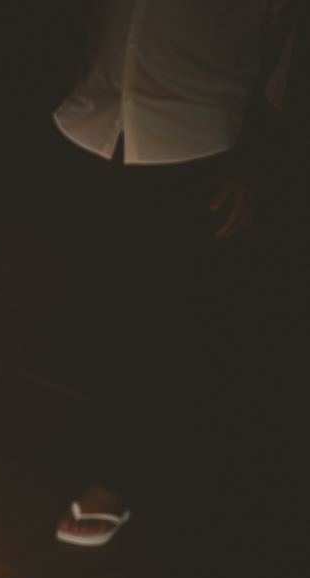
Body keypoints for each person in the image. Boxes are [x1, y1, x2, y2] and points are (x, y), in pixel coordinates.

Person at [47, 0, 268, 546]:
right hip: (86, 116)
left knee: (157, 327)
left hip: (195, 135)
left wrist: (261, 159)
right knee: (42, 301)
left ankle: (114, 480)